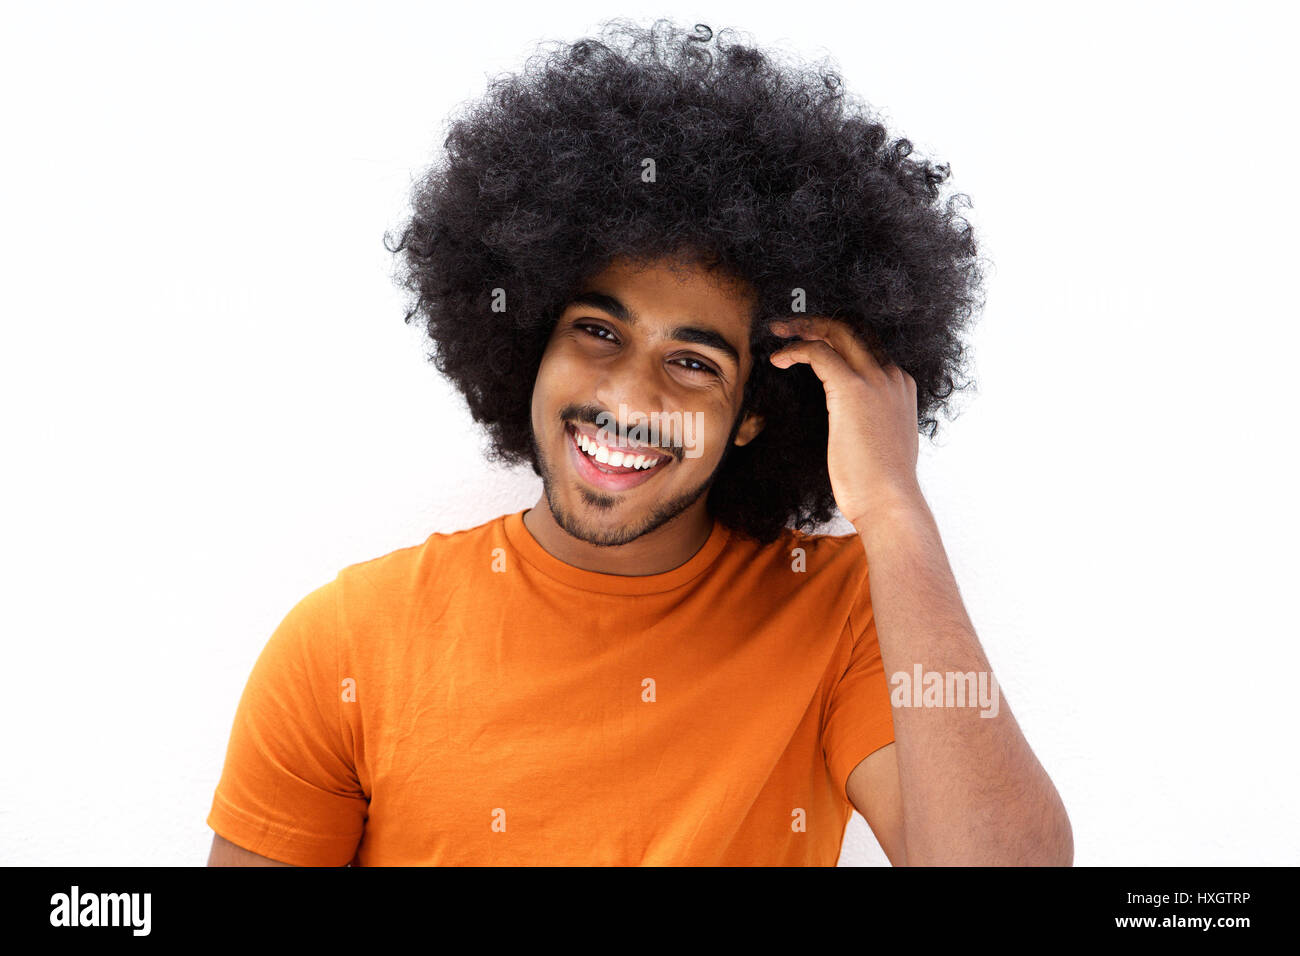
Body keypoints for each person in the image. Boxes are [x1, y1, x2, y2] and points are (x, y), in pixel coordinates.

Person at [207, 17, 1071, 866]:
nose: (627, 400)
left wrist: (892, 504)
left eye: (692, 362)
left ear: (758, 412)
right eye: (598, 332)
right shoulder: (347, 642)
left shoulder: (839, 612)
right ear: (530, 346)